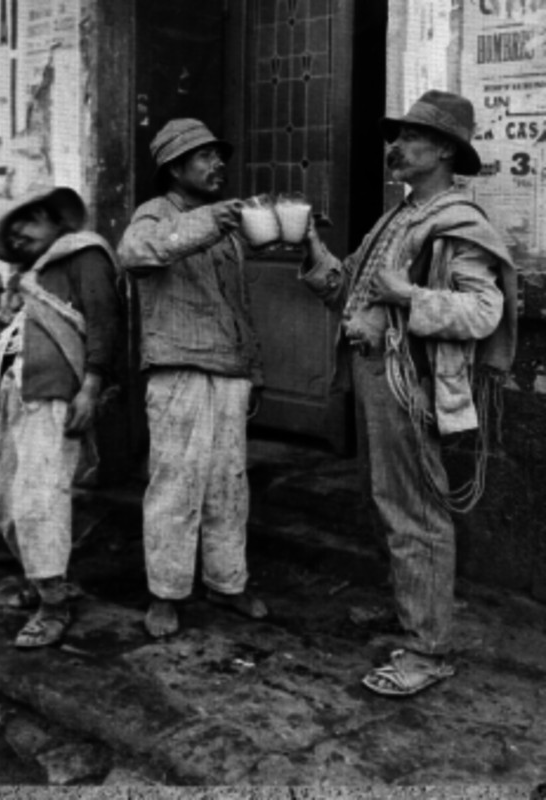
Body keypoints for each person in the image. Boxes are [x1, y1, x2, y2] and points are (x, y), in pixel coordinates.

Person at [301, 90, 517, 696]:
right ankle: (412, 616)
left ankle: (428, 651)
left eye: (412, 137)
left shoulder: (457, 224)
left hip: (411, 385)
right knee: (391, 503)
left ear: (445, 150)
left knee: (416, 514)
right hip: (377, 380)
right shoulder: (398, 217)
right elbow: (350, 289)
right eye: (395, 136)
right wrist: (311, 252)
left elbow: (483, 311)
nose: (395, 147)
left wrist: (408, 299)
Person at [116, 118, 267, 638]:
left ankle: (228, 582)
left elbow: (237, 305)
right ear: (174, 168)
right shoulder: (156, 214)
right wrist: (210, 221)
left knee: (229, 483)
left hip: (228, 368)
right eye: (203, 156)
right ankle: (165, 592)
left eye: (217, 155)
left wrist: (254, 369)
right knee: (176, 484)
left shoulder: (224, 229)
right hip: (179, 368)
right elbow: (135, 253)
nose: (216, 164)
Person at [0, 186, 120, 648]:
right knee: (2, 492)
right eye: (12, 228)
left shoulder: (84, 255)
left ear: (58, 221)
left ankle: (53, 605)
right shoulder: (25, 279)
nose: (19, 232)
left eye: (29, 219)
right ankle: (42, 577)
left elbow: (104, 322)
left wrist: (91, 387)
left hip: (55, 397)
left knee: (39, 499)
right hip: (14, 399)